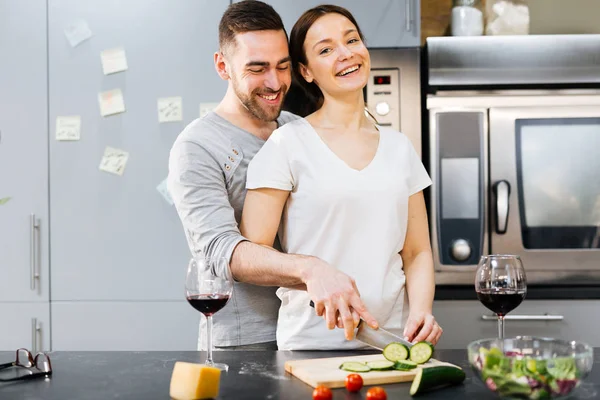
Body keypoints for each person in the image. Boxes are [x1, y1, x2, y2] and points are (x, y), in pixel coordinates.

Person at [168, 0, 376, 351]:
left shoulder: (298, 129)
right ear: (223, 65)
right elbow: (223, 252)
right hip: (247, 341)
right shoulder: (197, 146)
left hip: (316, 332)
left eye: (282, 66)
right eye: (257, 68)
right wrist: (311, 269)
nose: (275, 82)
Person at [240, 4, 443, 350]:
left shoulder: (399, 148)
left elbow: (417, 251)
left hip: (391, 343)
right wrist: (313, 270)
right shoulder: (287, 144)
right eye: (326, 49)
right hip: (310, 344)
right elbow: (251, 253)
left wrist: (421, 311)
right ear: (305, 71)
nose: (346, 54)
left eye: (352, 40)